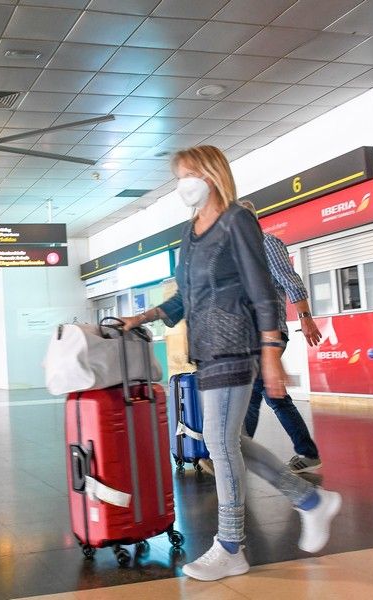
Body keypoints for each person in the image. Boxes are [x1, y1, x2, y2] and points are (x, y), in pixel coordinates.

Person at [120, 146, 341, 582]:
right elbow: (185, 297)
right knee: (228, 441)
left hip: (238, 345)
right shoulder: (190, 232)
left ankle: (230, 545)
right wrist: (141, 317)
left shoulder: (237, 220)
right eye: (179, 175)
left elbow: (262, 290)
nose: (183, 182)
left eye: (189, 173)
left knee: (221, 445)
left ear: (211, 174)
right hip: (207, 349)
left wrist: (271, 352)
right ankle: (312, 502)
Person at [238, 200, 323, 473]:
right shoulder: (243, 252)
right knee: (257, 395)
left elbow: (291, 281)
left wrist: (306, 318)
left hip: (271, 333)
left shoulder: (267, 244)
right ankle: (240, 452)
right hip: (254, 336)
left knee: (266, 395)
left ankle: (241, 453)